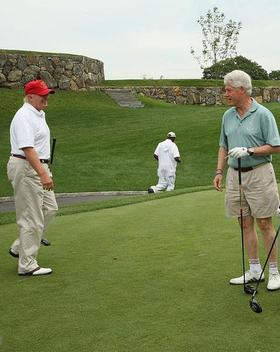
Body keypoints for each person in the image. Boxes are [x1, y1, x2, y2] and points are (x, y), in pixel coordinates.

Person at [213, 70, 280, 290]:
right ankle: (254, 270)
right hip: (234, 175)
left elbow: (276, 146)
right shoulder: (227, 116)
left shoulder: (263, 114)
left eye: (228, 90)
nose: (225, 94)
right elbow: (223, 145)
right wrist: (219, 172)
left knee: (264, 222)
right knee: (244, 222)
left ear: (242, 89)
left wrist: (250, 150)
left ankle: (273, 272)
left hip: (259, 173)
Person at [7, 79, 58, 276]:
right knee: (32, 218)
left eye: (47, 94)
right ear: (30, 97)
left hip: (37, 166)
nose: (46, 98)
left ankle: (20, 246)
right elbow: (27, 148)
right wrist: (43, 173)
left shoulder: (38, 113)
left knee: (50, 209)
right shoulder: (24, 116)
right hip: (28, 168)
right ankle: (27, 264)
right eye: (42, 95)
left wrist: (45, 166)